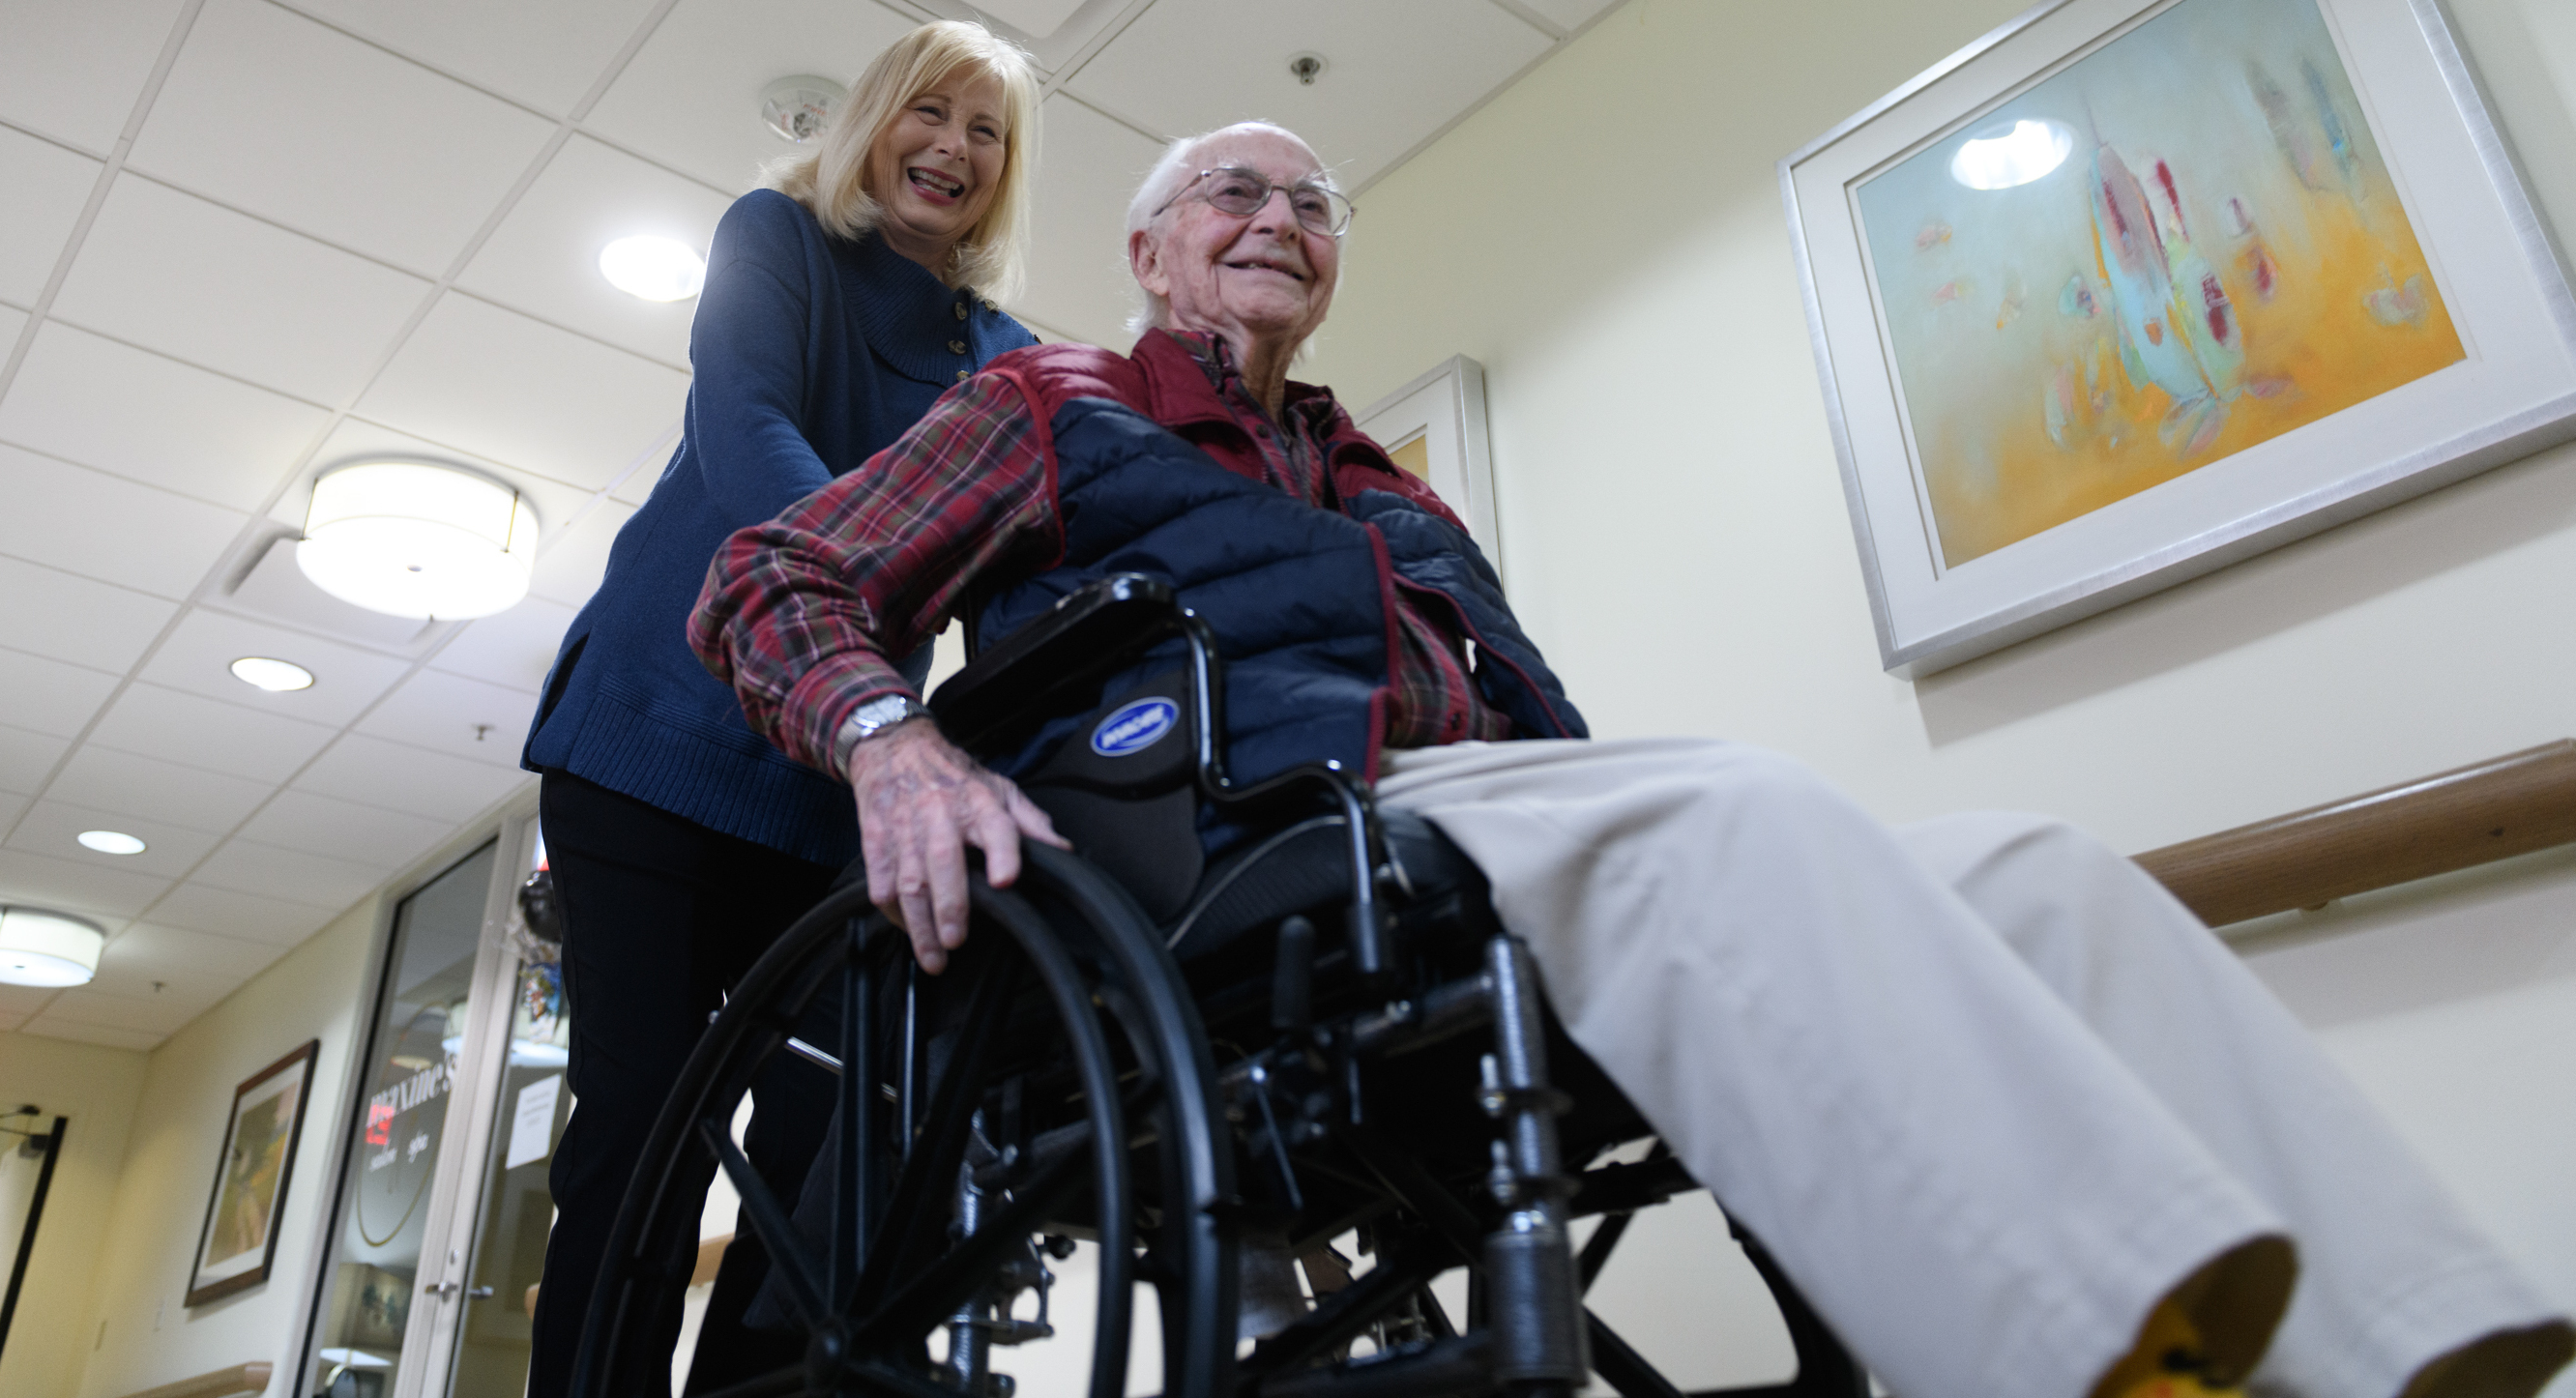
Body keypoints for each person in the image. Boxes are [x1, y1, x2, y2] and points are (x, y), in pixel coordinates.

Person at [687, 121, 2573, 1398]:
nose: (1280, 218)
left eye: (1314, 202)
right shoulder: (1045, 404)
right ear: (1152, 246)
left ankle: (2392, 1338)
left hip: (1475, 833)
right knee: (1736, 813)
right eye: (1238, 193)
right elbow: (774, 576)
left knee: (2033, 870)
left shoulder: (1378, 481)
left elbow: (1546, 735)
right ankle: (2088, 1352)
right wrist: (891, 742)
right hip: (1227, 843)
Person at [520, 22, 1042, 1395]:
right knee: (642, 1132)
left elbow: (1020, 563)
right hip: (657, 745)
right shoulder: (777, 239)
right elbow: (747, 432)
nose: (951, 147)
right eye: (929, 112)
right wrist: (876, 615)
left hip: (837, 790)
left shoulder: (1002, 356)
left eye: (986, 131)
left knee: (829, 1148)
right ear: (872, 119)